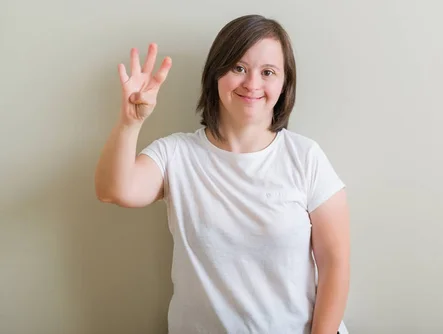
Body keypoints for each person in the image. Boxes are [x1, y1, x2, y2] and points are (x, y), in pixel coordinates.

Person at [94, 14, 350, 334]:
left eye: (267, 72)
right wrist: (130, 122)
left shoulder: (306, 157)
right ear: (216, 74)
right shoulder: (177, 154)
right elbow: (114, 190)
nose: (252, 84)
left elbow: (335, 264)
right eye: (238, 68)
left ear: (284, 83)